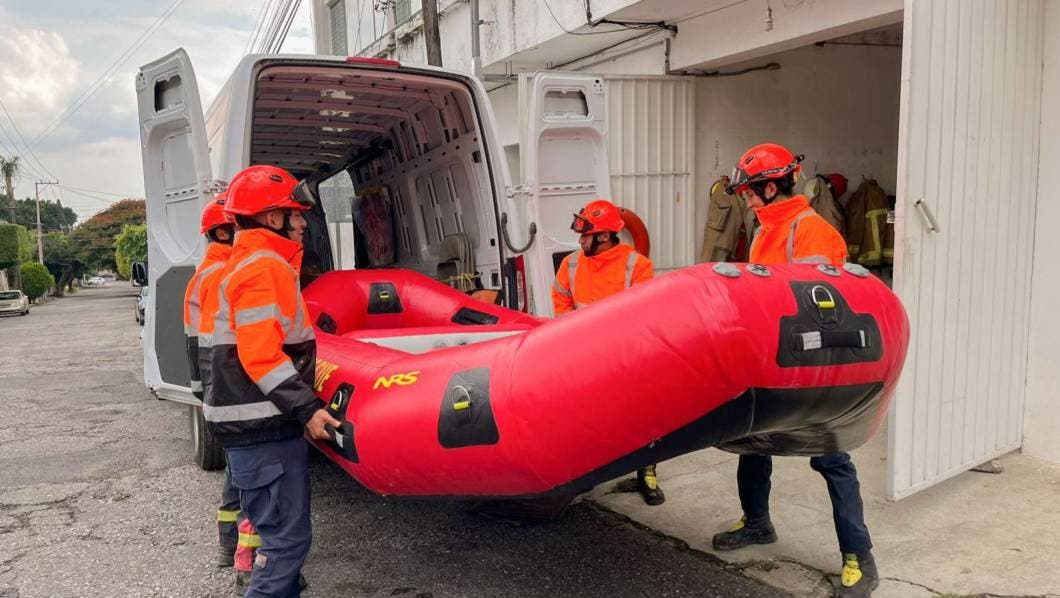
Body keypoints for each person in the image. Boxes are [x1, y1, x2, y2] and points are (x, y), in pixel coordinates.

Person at [714, 143, 877, 597]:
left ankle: (858, 557)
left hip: (814, 364)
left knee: (830, 457)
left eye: (749, 192)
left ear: (770, 186)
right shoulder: (767, 229)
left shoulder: (813, 232)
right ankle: (758, 523)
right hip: (772, 358)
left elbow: (823, 310)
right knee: (752, 443)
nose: (745, 200)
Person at [200, 165, 340, 597]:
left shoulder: (248, 263)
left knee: (278, 540)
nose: (302, 223)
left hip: (251, 427)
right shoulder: (264, 267)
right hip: (263, 429)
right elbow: (260, 354)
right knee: (284, 545)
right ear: (271, 218)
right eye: (294, 214)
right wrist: (308, 408)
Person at [551, 198, 665, 506]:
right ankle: (589, 473)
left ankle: (647, 471)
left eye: (585, 234)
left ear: (603, 236)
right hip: (584, 356)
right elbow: (561, 299)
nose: (579, 240)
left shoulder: (636, 265)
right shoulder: (571, 263)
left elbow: (644, 313)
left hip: (625, 356)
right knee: (588, 417)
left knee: (640, 416)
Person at [181, 194, 249, 570]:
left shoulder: (202, 275)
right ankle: (247, 558)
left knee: (236, 474)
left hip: (212, 389)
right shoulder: (226, 274)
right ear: (223, 231)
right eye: (240, 226)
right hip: (233, 389)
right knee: (248, 477)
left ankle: (228, 547)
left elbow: (196, 341)